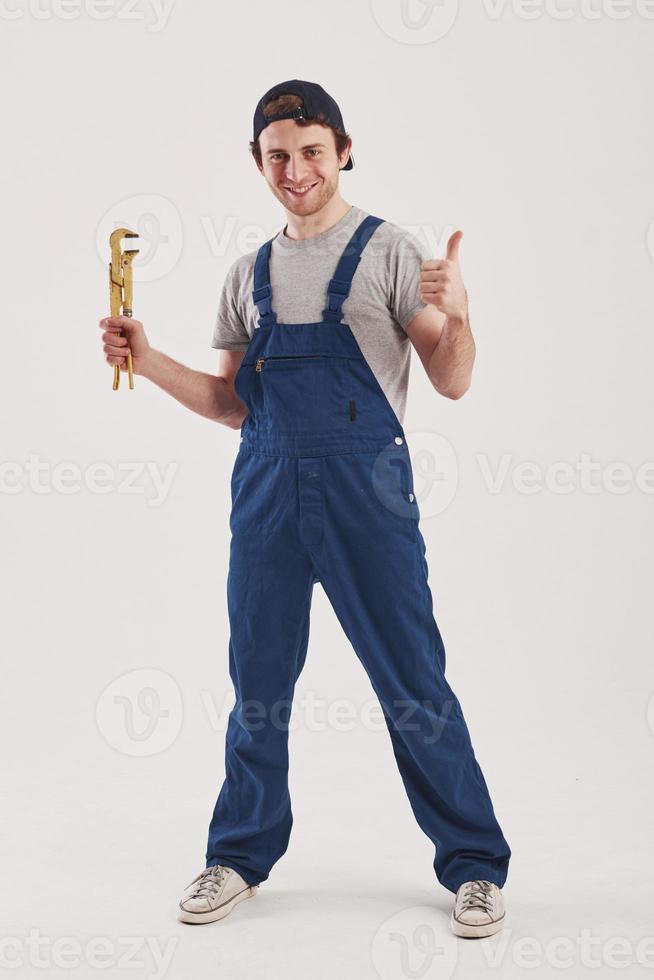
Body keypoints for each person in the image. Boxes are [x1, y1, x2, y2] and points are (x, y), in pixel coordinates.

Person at [98, 79, 511, 939]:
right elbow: (229, 403)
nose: (296, 170)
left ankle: (474, 865)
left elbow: (453, 378)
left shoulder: (393, 252)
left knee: (413, 683)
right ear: (258, 162)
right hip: (268, 487)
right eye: (278, 155)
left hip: (368, 490)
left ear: (344, 149)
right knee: (259, 685)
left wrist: (460, 316)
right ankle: (238, 856)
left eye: (312, 151)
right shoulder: (245, 274)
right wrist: (150, 358)